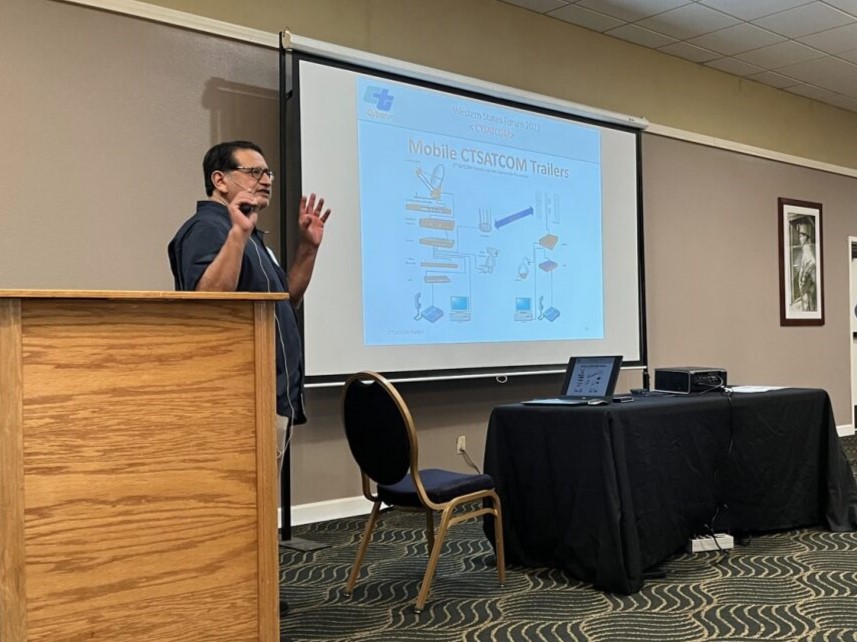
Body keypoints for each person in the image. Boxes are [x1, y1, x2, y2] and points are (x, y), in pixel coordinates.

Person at [167, 140, 331, 634]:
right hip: (241, 397)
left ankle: (255, 597)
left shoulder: (252, 235)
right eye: (253, 171)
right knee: (245, 509)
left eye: (268, 173)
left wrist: (308, 249)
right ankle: (239, 605)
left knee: (260, 506)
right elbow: (207, 303)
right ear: (219, 179)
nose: (265, 180)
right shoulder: (207, 229)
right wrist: (238, 233)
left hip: (273, 392)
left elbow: (286, 297)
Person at [796, 223, 817, 312]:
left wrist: (804, 278)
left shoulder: (807, 249)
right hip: (806, 287)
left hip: (808, 286)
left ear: (806, 237)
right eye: (799, 237)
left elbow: (812, 263)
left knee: (808, 306)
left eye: (801, 237)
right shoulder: (805, 249)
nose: (800, 239)